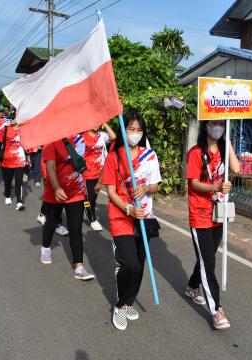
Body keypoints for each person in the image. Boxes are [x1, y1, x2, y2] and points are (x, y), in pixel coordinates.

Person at [102, 110, 162, 331]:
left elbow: (155, 186)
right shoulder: (114, 156)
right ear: (123, 130)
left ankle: (128, 302)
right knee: (129, 264)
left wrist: (145, 188)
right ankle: (119, 305)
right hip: (121, 217)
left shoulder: (150, 156)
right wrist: (127, 208)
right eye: (131, 129)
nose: (135, 133)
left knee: (140, 267)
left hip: (144, 217)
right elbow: (110, 191)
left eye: (139, 130)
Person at [185, 120, 240, 330]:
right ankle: (216, 310)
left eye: (221, 124)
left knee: (207, 256)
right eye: (213, 123)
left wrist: (228, 141)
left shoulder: (224, 149)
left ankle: (192, 286)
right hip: (200, 214)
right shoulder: (196, 152)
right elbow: (193, 183)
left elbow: (236, 168)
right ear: (205, 126)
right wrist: (214, 186)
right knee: (208, 263)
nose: (217, 127)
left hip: (219, 214)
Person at [39, 133, 95, 282]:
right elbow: (50, 166)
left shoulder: (80, 139)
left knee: (75, 229)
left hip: (76, 192)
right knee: (51, 223)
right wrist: (57, 188)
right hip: (55, 192)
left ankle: (79, 267)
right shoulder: (51, 141)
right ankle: (45, 247)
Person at [82, 122, 116, 231]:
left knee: (94, 196)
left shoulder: (102, 136)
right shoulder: (82, 136)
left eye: (98, 121)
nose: (95, 123)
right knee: (88, 198)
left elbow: (114, 137)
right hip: (86, 173)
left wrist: (105, 123)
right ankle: (92, 219)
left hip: (100, 173)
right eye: (94, 121)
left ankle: (88, 210)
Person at [0, 119, 26, 210]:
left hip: (20, 159)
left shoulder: (23, 129)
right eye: (12, 117)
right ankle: (7, 196)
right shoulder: (6, 129)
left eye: (15, 117)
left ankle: (19, 201)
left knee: (19, 181)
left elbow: (26, 144)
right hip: (7, 159)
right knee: (8, 180)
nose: (13, 119)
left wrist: (28, 157)